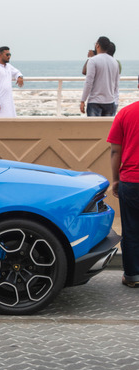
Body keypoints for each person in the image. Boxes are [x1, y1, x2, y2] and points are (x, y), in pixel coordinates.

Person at [108, 99, 139, 287]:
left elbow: (115, 150)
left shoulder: (126, 113)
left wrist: (115, 179)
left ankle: (132, 276)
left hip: (131, 181)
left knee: (131, 229)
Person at [80, 36, 120, 116]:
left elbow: (88, 82)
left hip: (95, 101)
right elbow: (116, 85)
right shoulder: (115, 62)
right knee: (107, 128)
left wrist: (82, 100)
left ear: (97, 45)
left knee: (93, 128)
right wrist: (116, 101)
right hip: (110, 101)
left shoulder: (93, 60)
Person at [0, 46, 24, 117]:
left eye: (10, 55)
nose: (9, 56)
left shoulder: (8, 66)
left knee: (10, 122)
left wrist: (20, 77)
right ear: (0, 55)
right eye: (7, 54)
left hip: (8, 101)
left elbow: (17, 72)